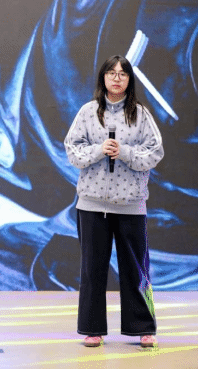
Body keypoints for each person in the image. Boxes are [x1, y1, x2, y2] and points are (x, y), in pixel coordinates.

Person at [64, 55, 164, 348]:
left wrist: (126, 152)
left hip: (131, 204)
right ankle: (92, 329)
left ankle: (143, 328)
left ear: (130, 80)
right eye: (111, 72)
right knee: (92, 270)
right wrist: (99, 150)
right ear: (103, 78)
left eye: (123, 73)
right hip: (92, 205)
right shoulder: (88, 112)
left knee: (136, 269)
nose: (117, 78)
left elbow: (155, 152)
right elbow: (72, 150)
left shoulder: (140, 114)